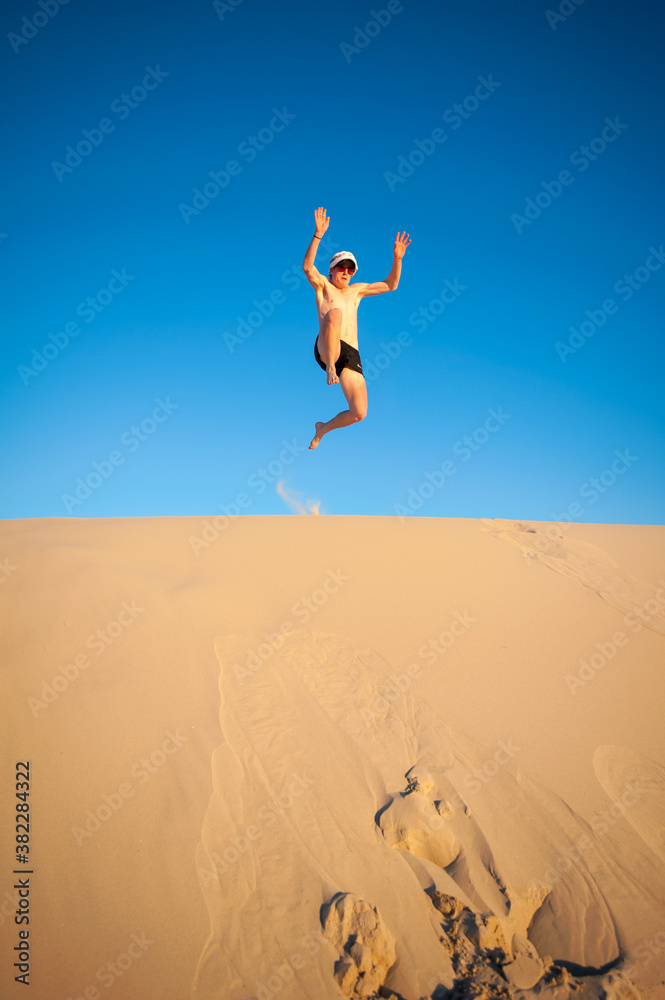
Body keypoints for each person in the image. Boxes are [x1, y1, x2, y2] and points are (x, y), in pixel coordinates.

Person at [303, 207, 411, 450]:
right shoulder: (323, 287)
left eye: (350, 269)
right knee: (336, 314)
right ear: (331, 269)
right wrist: (318, 235)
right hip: (326, 348)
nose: (346, 272)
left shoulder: (357, 290)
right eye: (341, 267)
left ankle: (322, 429)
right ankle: (331, 366)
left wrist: (397, 259)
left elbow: (391, 285)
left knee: (359, 412)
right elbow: (308, 268)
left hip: (350, 353)